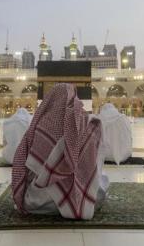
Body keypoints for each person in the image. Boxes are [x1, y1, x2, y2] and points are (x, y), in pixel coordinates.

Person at [12, 84, 108, 220]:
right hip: (81, 196)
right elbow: (95, 162)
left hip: (38, 201)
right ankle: (78, 202)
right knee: (102, 183)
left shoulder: (40, 126)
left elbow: (20, 163)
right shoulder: (86, 124)